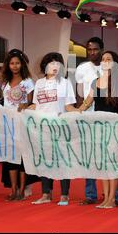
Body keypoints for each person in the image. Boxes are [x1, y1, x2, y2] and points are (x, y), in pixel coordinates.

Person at [78, 51, 118, 208]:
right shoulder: (95, 82)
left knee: (112, 163)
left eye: (109, 59)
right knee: (103, 163)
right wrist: (74, 112)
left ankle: (113, 198)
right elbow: (87, 102)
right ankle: (106, 197)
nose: (105, 61)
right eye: (103, 59)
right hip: (99, 129)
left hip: (115, 128)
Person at [29, 52, 78, 206]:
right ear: (45, 66)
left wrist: (82, 111)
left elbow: (69, 106)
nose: (55, 66)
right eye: (51, 63)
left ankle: (64, 195)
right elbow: (35, 105)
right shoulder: (39, 84)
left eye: (58, 63)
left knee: (63, 160)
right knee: (44, 160)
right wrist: (21, 110)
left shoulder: (65, 83)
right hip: (42, 128)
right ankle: (46, 193)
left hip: (61, 127)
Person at [2, 49, 35, 201]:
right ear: (8, 65)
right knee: (11, 157)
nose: (14, 66)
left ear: (22, 65)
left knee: (22, 157)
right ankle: (13, 189)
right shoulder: (5, 83)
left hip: (23, 123)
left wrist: (25, 106)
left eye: (17, 63)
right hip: (8, 124)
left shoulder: (28, 82)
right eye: (12, 63)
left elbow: (32, 102)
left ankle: (22, 189)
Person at [76, 37, 103, 206]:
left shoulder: (108, 66)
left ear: (102, 49)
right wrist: (79, 111)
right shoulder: (82, 68)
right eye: (89, 49)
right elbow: (80, 93)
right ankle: (90, 193)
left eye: (95, 49)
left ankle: (114, 191)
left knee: (107, 154)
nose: (92, 52)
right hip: (86, 116)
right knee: (88, 155)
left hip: (105, 116)